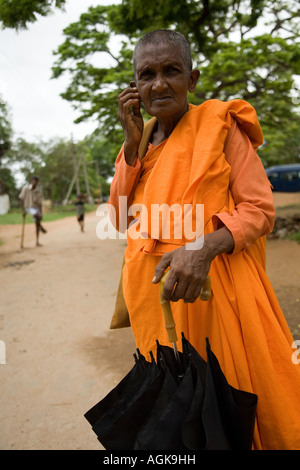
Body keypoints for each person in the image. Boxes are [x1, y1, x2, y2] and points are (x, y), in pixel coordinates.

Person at [108, 29, 300, 450]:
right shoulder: (135, 146)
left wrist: (203, 247)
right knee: (176, 415)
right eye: (147, 74)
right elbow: (119, 219)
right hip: (154, 302)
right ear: (135, 86)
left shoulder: (220, 125)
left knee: (232, 405)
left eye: (171, 70)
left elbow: (259, 210)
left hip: (213, 295)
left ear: (192, 79)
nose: (159, 83)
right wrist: (130, 145)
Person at [19, 175, 46, 246]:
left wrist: (41, 213)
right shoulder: (25, 188)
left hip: (36, 207)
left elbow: (40, 203)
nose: (35, 182)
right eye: (33, 180)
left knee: (37, 223)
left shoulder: (38, 190)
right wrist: (23, 210)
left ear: (37, 182)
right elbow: (22, 199)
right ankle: (41, 226)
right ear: (31, 181)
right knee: (36, 215)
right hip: (29, 207)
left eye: (36, 181)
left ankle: (37, 241)